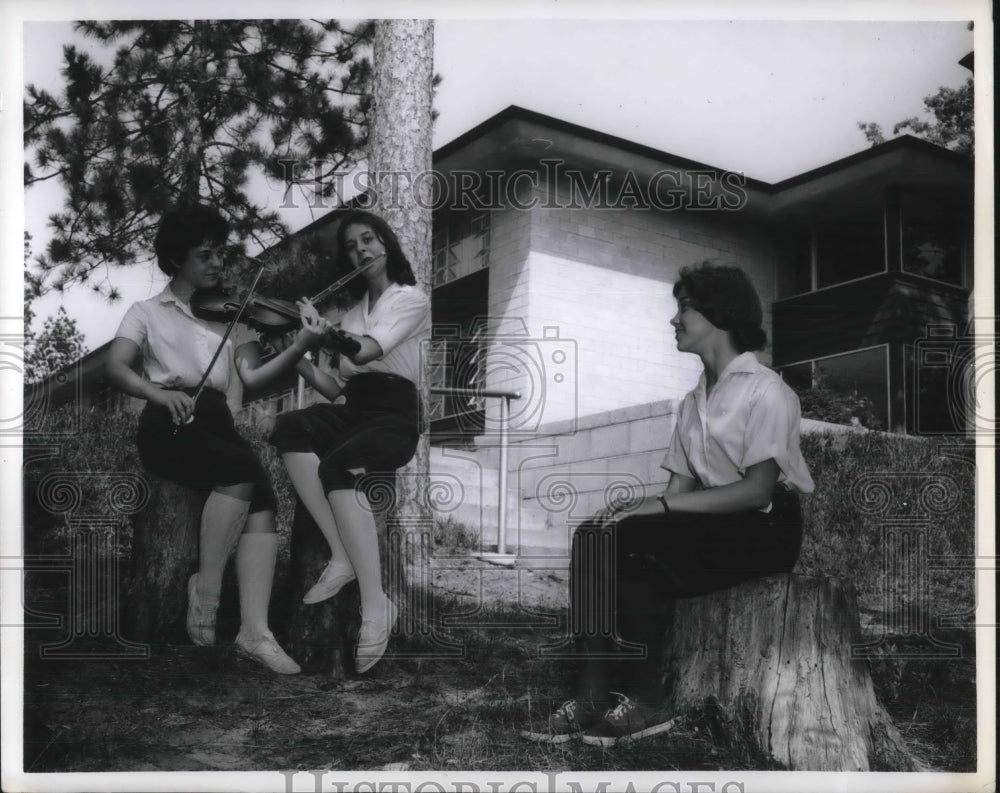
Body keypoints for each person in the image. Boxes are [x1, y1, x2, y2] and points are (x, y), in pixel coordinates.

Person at [521, 261, 814, 746]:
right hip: (716, 523)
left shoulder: (769, 391)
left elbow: (758, 490)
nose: (673, 320)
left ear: (718, 315)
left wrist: (657, 511)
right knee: (596, 533)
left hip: (766, 530)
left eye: (684, 309)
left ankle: (650, 702)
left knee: (637, 541)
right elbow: (677, 494)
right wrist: (629, 510)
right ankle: (592, 696)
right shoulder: (692, 401)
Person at [105, 203, 330, 674]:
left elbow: (253, 375)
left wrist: (299, 347)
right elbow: (116, 367)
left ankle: (254, 632)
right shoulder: (146, 311)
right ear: (177, 258)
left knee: (264, 498)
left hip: (214, 422)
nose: (216, 264)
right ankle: (206, 591)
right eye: (205, 255)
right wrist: (158, 394)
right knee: (241, 472)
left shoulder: (234, 316)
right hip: (167, 419)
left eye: (219, 254)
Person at [268, 209, 431, 674]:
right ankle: (342, 555)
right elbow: (336, 387)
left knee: (338, 466)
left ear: (387, 243)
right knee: (290, 428)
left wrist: (325, 330)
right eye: (353, 246)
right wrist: (295, 350)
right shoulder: (356, 309)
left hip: (395, 416)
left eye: (369, 239)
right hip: (354, 408)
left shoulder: (410, 299)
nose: (361, 250)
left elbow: (365, 350)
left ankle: (377, 607)